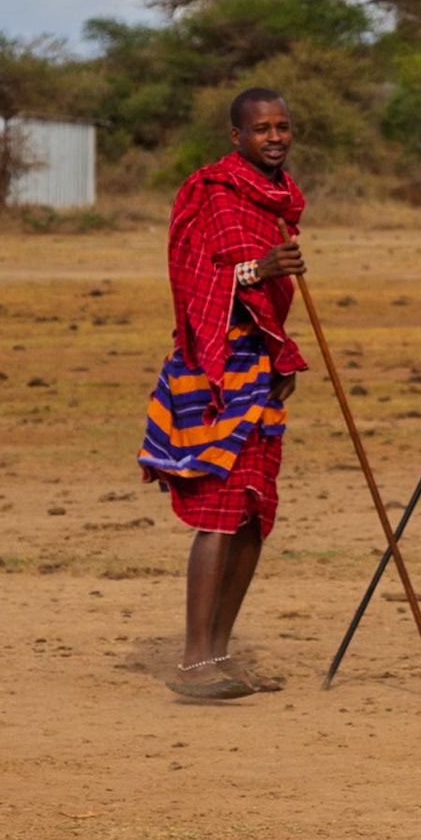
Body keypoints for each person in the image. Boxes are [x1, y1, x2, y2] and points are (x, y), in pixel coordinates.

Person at [139, 87, 309, 700]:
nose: (274, 137)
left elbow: (268, 292)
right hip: (213, 368)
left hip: (259, 367)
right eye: (261, 128)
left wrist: (281, 349)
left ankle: (220, 653)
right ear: (235, 136)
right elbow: (193, 279)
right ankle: (192, 662)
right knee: (219, 510)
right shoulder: (209, 191)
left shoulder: (281, 201)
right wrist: (259, 270)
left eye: (283, 127)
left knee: (252, 513)